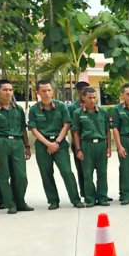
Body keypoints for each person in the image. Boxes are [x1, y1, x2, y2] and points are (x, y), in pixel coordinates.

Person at [28, 80, 84, 209]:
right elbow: (34, 129)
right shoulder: (34, 109)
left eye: (49, 90)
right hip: (43, 145)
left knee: (66, 171)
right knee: (46, 173)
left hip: (60, 144)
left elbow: (66, 125)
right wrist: (48, 144)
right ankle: (53, 200)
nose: (47, 93)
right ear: (38, 92)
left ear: (52, 91)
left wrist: (57, 142)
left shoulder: (61, 106)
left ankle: (75, 199)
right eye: (43, 91)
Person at [0, 79, 32, 214]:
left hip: (17, 143)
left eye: (10, 90)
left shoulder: (18, 109)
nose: (9, 92)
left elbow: (23, 129)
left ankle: (20, 202)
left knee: (21, 175)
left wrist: (27, 146)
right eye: (5, 90)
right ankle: (10, 205)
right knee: (4, 175)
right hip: (0, 142)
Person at [72, 87, 111, 207]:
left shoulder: (103, 112)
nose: (92, 100)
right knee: (87, 174)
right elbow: (76, 132)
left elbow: (107, 131)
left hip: (101, 144)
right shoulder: (78, 113)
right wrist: (78, 149)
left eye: (94, 97)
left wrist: (109, 147)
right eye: (89, 98)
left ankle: (102, 197)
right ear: (83, 98)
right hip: (86, 145)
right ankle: (90, 199)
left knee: (102, 173)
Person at [68, 80, 90, 198]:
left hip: (92, 142)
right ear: (78, 92)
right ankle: (85, 192)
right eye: (85, 91)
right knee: (82, 169)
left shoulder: (92, 104)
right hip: (80, 141)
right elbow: (73, 128)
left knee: (92, 169)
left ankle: (95, 192)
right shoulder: (73, 107)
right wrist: (77, 146)